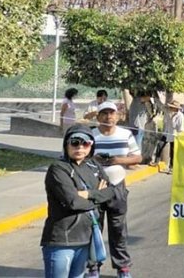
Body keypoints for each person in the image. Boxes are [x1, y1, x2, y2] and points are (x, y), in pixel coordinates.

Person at [41, 125, 114, 278]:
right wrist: (98, 196)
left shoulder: (94, 166)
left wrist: (87, 194)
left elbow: (111, 192)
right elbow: (72, 201)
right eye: (75, 142)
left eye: (85, 143)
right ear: (66, 144)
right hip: (62, 240)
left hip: (86, 238)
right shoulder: (58, 169)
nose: (80, 147)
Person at [90, 101, 142, 278]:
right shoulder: (90, 135)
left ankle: (123, 268)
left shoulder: (125, 134)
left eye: (111, 113)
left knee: (118, 229)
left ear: (117, 116)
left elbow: (137, 157)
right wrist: (94, 158)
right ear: (98, 117)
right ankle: (93, 266)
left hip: (117, 187)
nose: (108, 117)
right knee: (94, 229)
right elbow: (79, 156)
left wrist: (117, 160)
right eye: (104, 113)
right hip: (95, 187)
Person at [156, 101, 184, 174]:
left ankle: (171, 167)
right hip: (166, 133)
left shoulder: (180, 116)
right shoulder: (167, 113)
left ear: (176, 108)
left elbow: (180, 128)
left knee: (173, 152)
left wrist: (179, 136)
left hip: (174, 135)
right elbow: (165, 123)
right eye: (170, 107)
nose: (170, 108)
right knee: (160, 145)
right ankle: (156, 162)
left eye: (172, 107)